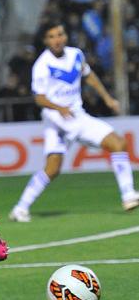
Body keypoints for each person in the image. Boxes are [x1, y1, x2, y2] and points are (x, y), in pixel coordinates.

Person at [9, 21, 139, 222]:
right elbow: (39, 98)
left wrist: (107, 98)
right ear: (45, 40)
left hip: (77, 116)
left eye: (60, 34)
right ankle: (20, 208)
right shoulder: (42, 65)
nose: (57, 40)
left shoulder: (76, 54)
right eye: (52, 36)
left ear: (65, 36)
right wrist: (60, 108)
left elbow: (89, 76)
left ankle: (128, 195)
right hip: (57, 121)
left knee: (118, 143)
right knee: (53, 169)